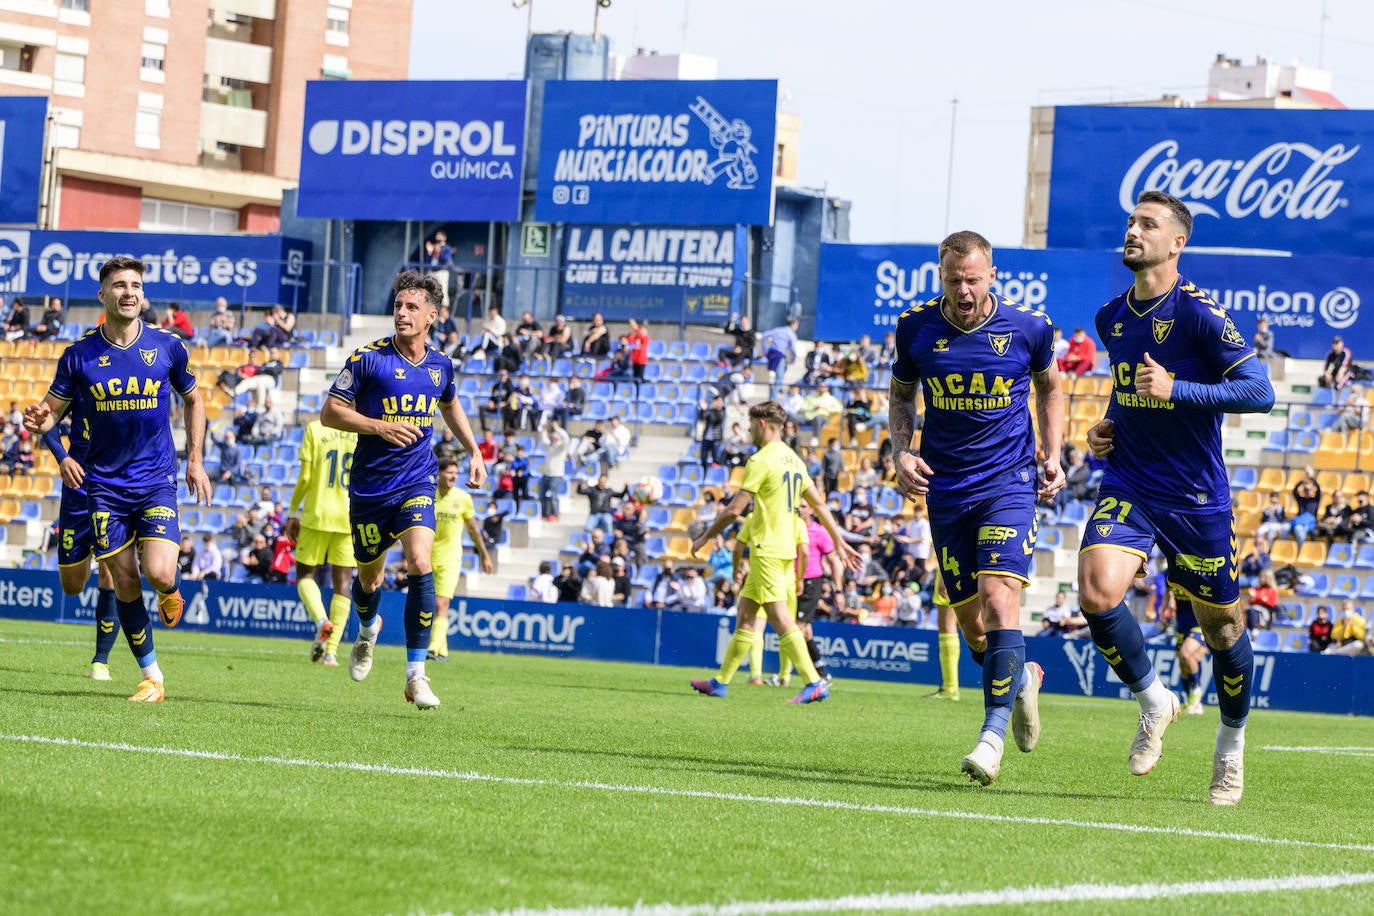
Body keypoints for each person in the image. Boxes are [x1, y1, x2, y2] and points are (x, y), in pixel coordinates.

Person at [1074, 190, 1275, 805]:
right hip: (1131, 480)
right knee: (1095, 590)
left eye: (1148, 224)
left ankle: (1231, 745)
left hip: (1195, 495)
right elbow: (1129, 388)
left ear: (1176, 242)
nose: (1133, 230)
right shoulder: (1112, 316)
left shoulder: (1201, 315)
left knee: (1220, 631)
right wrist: (1106, 425)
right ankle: (1154, 700)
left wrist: (1177, 389)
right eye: (1131, 221)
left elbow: (1259, 391)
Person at [889, 229, 1066, 787]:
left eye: (973, 279)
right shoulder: (915, 328)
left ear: (992, 275)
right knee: (973, 631)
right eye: (953, 279)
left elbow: (1051, 389)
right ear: (940, 276)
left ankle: (990, 740)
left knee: (997, 599)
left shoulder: (1029, 328)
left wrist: (1053, 453)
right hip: (946, 490)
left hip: (1009, 482)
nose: (963, 291)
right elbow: (901, 393)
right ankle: (1021, 679)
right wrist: (899, 450)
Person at [23, 256, 211, 702]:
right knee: (124, 581)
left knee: (161, 573)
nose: (129, 292)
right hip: (104, 488)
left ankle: (173, 589)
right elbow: (47, 414)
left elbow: (194, 399)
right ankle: (152, 677)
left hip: (155, 480)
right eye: (120, 285)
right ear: (103, 295)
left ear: (143, 295)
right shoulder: (79, 355)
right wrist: (50, 438)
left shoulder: (168, 346)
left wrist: (196, 459)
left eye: (136, 285)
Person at [321, 269, 487, 710]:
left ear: (433, 315)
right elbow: (330, 413)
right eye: (398, 305)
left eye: (412, 307)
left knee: (418, 560)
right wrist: (378, 425)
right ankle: (367, 628)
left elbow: (450, 405)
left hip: (416, 482)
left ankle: (416, 674)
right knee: (369, 580)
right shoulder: (368, 359)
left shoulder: (441, 366)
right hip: (370, 488)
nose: (402, 313)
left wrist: (474, 450)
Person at [689, 400, 860, 704]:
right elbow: (820, 504)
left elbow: (734, 510)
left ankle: (813, 682)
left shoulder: (761, 459)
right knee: (745, 614)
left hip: (767, 547)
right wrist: (839, 538)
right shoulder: (794, 460)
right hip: (782, 550)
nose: (751, 430)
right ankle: (721, 682)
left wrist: (704, 537)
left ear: (762, 425)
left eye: (752, 425)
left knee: (780, 618)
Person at [40, 391, 122, 681]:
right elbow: (46, 420)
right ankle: (87, 556)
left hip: (112, 490)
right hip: (76, 490)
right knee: (72, 585)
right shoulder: (77, 381)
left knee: (111, 572)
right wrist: (62, 458)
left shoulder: (130, 384)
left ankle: (100, 661)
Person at [284, 418, 359, 667]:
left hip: (317, 513)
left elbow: (305, 477)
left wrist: (293, 511)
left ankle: (320, 622)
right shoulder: (361, 431)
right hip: (350, 516)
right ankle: (331, 652)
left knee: (305, 574)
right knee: (343, 584)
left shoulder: (315, 429)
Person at [427, 457, 494, 661]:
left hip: (450, 560)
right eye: (449, 472)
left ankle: (432, 647)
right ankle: (442, 650)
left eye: (456, 473)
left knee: (442, 604)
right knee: (427, 605)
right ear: (439, 474)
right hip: (426, 558)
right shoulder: (428, 495)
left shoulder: (463, 498)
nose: (454, 476)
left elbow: (473, 530)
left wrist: (484, 555)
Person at [759, 317, 800, 400]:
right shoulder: (791, 334)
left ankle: (776, 388)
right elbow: (793, 350)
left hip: (771, 355)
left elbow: (764, 335)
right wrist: (793, 359)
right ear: (793, 325)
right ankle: (772, 399)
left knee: (781, 372)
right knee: (779, 378)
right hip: (779, 356)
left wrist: (765, 349)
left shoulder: (777, 330)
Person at [538, 420, 571, 522]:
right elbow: (544, 440)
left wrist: (557, 428)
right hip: (546, 475)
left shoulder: (562, 448)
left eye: (555, 437)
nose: (553, 439)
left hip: (556, 475)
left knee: (553, 496)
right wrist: (544, 430)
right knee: (541, 495)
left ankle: (554, 514)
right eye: (552, 437)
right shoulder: (549, 447)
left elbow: (566, 438)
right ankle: (543, 514)